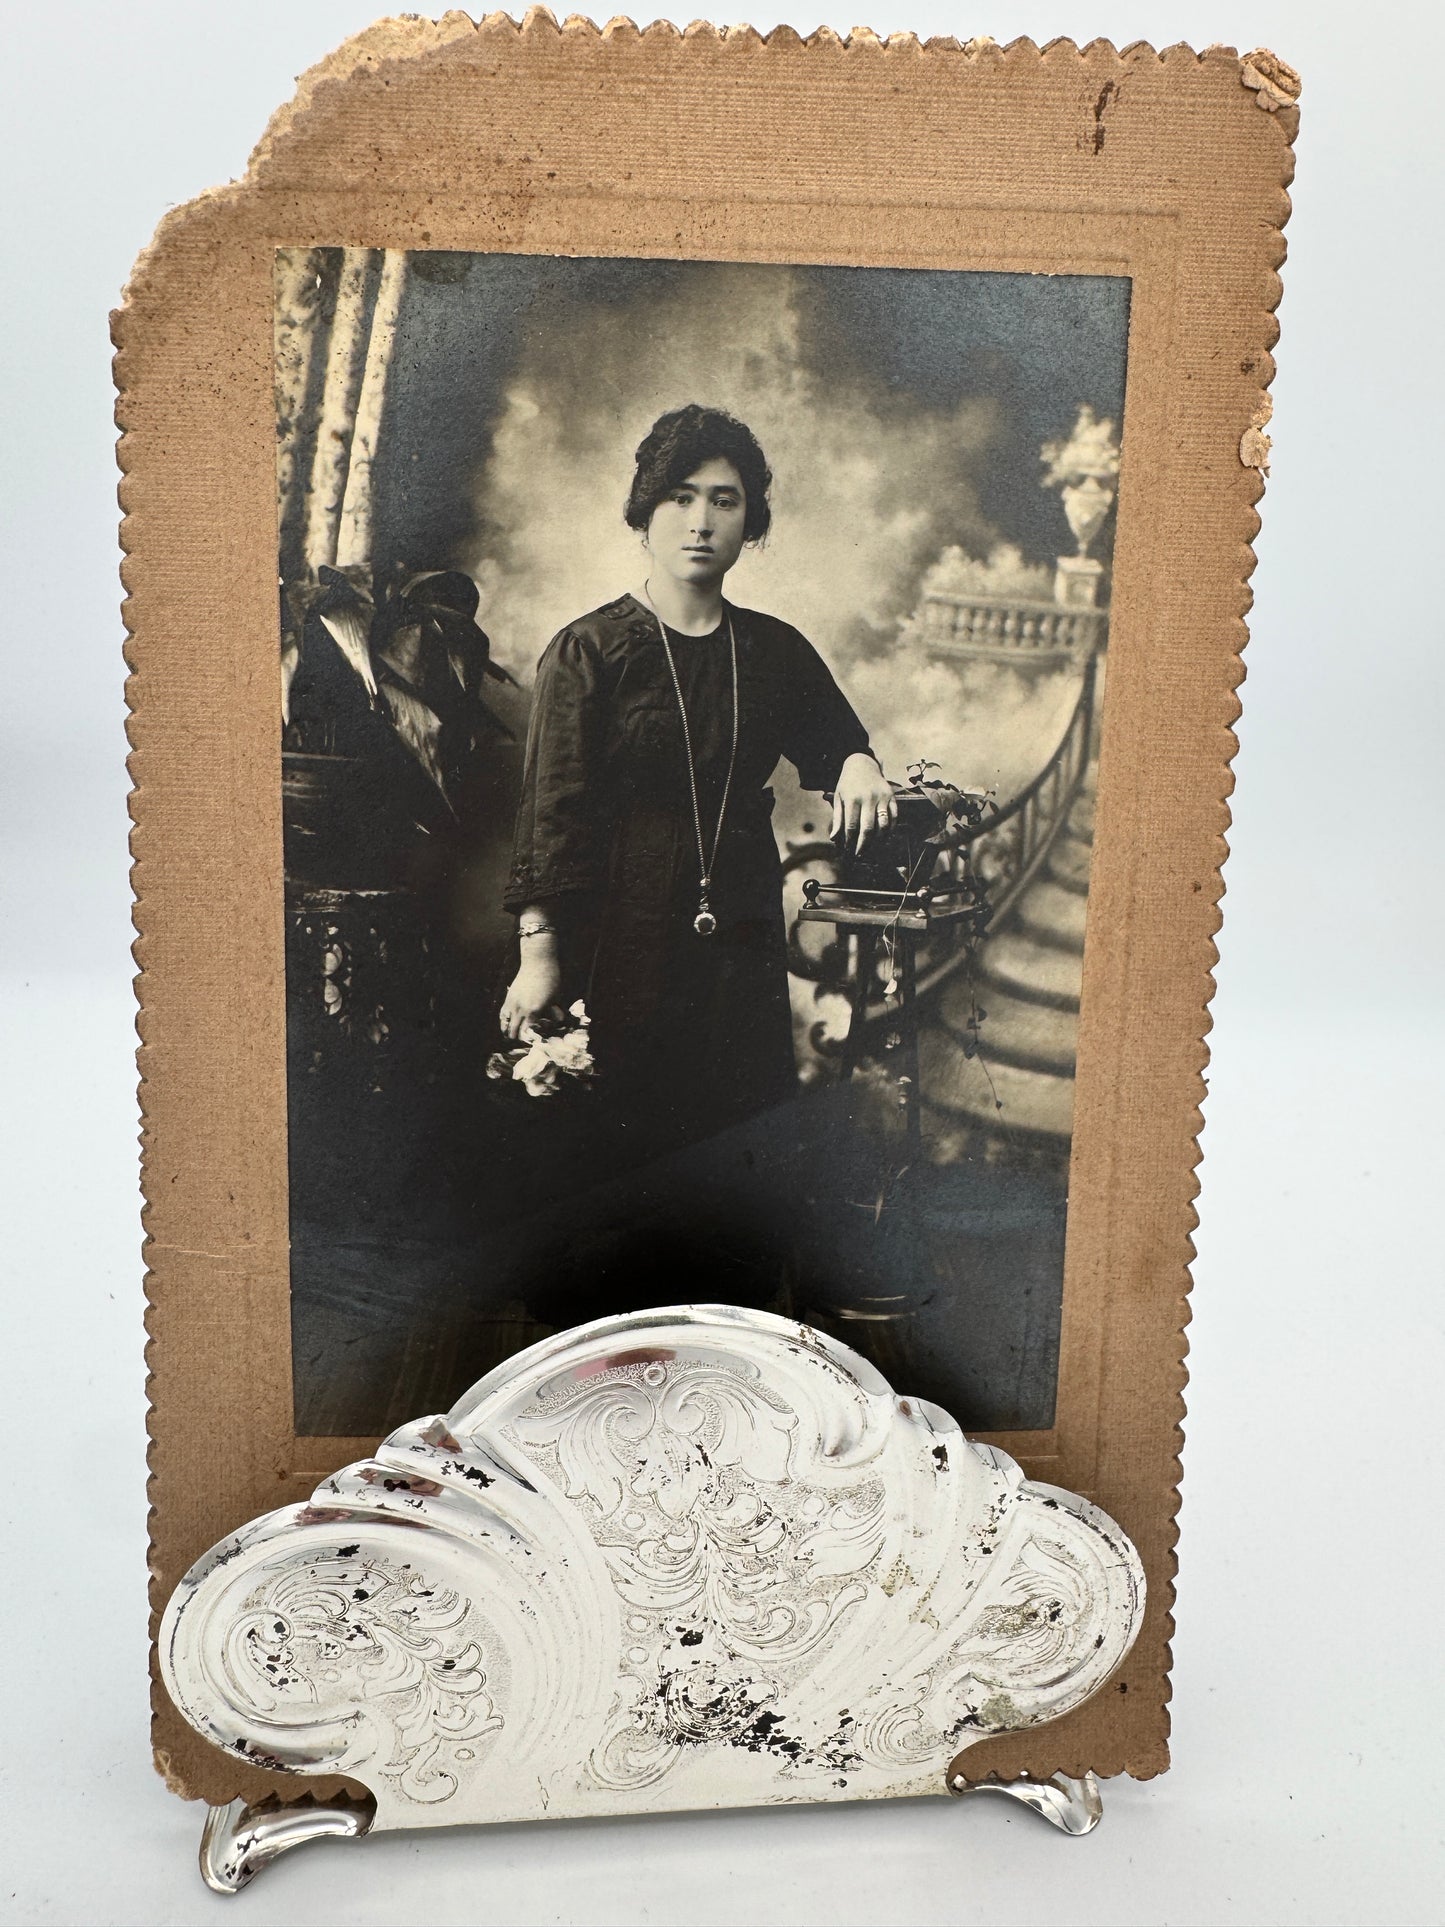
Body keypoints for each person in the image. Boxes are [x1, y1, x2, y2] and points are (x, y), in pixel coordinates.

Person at [500, 404, 895, 1163]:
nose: (700, 520)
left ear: (749, 523)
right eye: (680, 496)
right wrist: (539, 952)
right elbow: (552, 811)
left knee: (734, 1130)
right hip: (618, 918)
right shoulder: (588, 650)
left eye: (724, 499)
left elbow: (839, 742)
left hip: (737, 922)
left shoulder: (773, 650)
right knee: (619, 1138)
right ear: (644, 513)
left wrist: (856, 763)